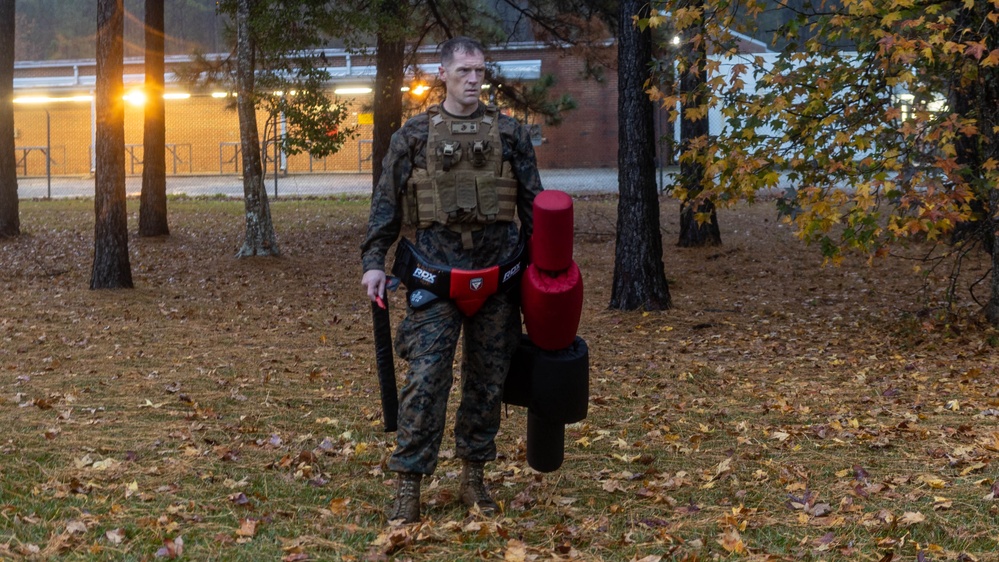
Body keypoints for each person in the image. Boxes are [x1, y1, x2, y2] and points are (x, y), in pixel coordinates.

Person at [360, 36, 543, 524]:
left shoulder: (511, 134)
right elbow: (386, 202)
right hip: (434, 276)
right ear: (442, 73)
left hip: (498, 278)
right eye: (463, 70)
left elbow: (533, 206)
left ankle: (474, 480)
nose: (473, 79)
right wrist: (374, 261)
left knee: (487, 385)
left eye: (480, 71)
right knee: (425, 380)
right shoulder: (414, 135)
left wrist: (546, 274)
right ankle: (409, 485)